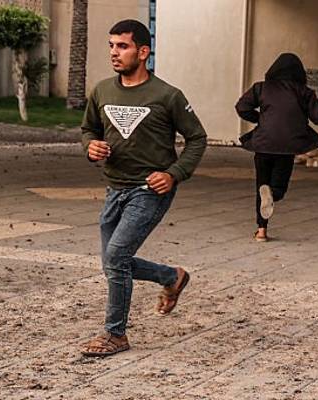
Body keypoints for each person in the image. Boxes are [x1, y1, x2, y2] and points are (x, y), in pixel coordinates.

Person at [78, 19, 205, 357]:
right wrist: (91, 146)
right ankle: (172, 276)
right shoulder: (102, 91)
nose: (114, 53)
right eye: (111, 46)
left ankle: (115, 335)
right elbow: (88, 129)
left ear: (143, 52)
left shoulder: (167, 95)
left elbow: (197, 138)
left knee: (116, 257)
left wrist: (175, 173)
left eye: (123, 46)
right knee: (113, 263)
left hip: (150, 190)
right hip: (114, 188)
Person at [235, 53, 318, 242]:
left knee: (261, 185)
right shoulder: (303, 91)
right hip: (287, 146)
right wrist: (316, 99)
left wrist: (260, 119)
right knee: (277, 188)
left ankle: (261, 231)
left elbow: (242, 107)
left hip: (263, 144)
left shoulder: (261, 88)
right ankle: (274, 194)